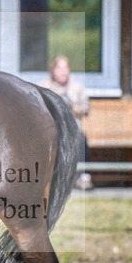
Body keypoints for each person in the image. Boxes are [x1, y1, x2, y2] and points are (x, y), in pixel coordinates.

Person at [40, 55, 93, 190]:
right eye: (60, 68)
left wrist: (76, 109)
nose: (63, 71)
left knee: (81, 139)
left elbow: (86, 107)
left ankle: (82, 177)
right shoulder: (44, 87)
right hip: (51, 130)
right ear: (53, 70)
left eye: (66, 68)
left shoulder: (77, 87)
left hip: (73, 129)